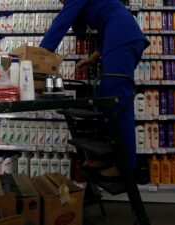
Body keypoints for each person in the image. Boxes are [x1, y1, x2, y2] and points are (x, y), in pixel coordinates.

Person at [40, 0, 149, 177]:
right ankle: (104, 157)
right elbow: (101, 24)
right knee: (103, 99)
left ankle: (127, 166)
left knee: (119, 102)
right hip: (120, 39)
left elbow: (63, 20)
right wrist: (93, 57)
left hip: (122, 40)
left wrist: (41, 54)